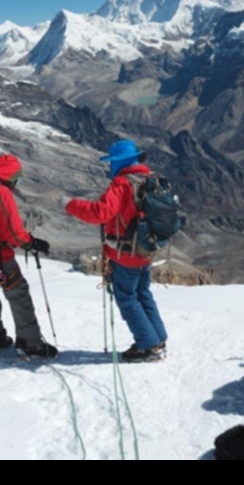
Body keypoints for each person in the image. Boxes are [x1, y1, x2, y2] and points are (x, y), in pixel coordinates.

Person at [63, 140, 168, 363]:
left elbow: (100, 213)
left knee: (127, 298)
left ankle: (147, 345)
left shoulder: (122, 185)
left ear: (119, 162)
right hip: (145, 250)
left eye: (112, 162)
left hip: (125, 254)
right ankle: (158, 338)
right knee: (143, 293)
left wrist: (70, 205)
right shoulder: (150, 180)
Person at [0, 154, 58, 359]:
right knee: (18, 294)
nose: (17, 183)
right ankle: (30, 343)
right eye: (17, 178)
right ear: (10, 175)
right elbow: (14, 233)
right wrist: (32, 243)